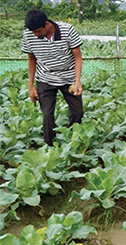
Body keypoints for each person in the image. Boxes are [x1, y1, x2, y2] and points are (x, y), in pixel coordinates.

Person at [22, 9, 84, 146]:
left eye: (37, 31)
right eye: (32, 31)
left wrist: (77, 81)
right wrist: (31, 86)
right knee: (47, 115)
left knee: (77, 112)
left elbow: (77, 57)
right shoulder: (28, 35)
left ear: (47, 24)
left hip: (68, 77)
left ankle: (73, 140)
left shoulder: (67, 30)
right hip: (45, 77)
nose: (34, 34)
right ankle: (50, 146)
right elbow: (32, 59)